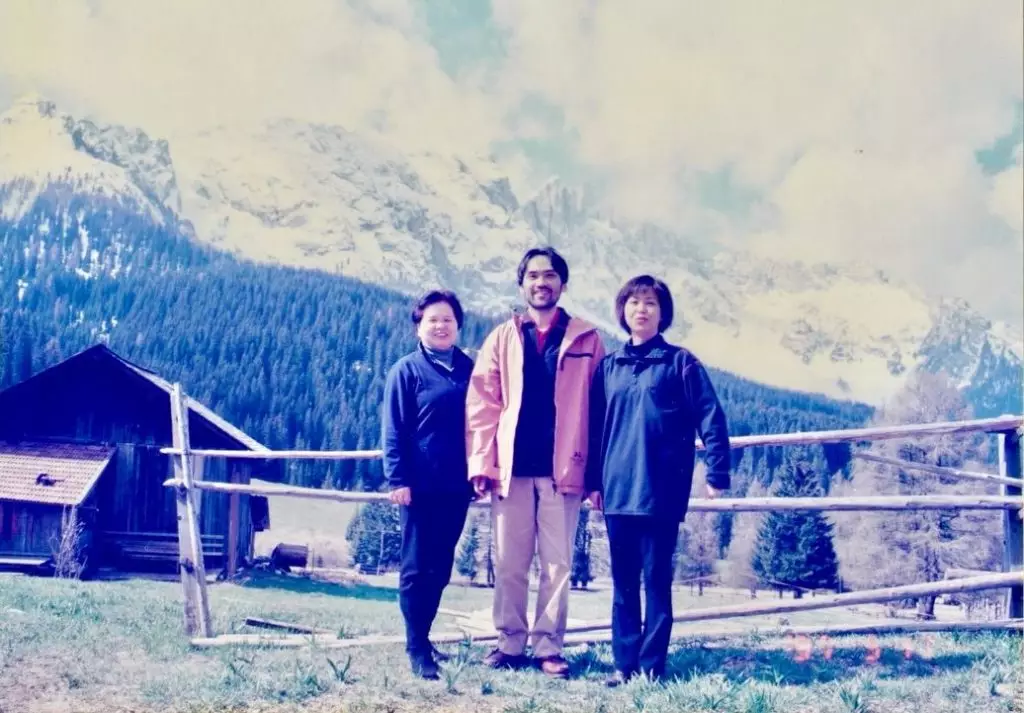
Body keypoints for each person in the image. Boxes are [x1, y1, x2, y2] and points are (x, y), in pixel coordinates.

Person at [466, 246, 606, 679]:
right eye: (533, 276)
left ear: (562, 284)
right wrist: (481, 463)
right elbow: (483, 404)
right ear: (521, 283)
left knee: (557, 566)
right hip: (511, 471)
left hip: (564, 471)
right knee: (509, 563)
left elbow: (599, 409)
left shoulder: (587, 339)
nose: (541, 283)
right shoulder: (502, 337)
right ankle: (509, 643)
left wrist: (595, 475)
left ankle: (548, 647)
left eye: (549, 276)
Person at [585, 274, 731, 686]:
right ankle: (623, 665)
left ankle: (651, 668)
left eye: (650, 302)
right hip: (617, 492)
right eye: (634, 302)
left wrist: (717, 472)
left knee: (656, 582)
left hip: (661, 492)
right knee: (622, 585)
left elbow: (711, 417)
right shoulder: (609, 367)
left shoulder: (680, 363)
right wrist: (592, 482)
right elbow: (594, 430)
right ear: (623, 310)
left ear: (662, 313)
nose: (642, 309)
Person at [382, 290, 476, 680]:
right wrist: (398, 479)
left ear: (458, 326)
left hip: (457, 486)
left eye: (447, 320)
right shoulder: (406, 371)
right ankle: (416, 646)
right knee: (416, 568)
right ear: (418, 326)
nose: (440, 326)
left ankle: (424, 636)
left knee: (440, 567)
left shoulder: (470, 369)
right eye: (432, 319)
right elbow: (393, 430)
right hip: (418, 488)